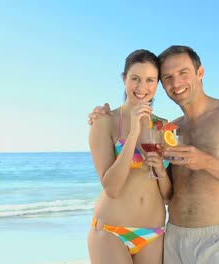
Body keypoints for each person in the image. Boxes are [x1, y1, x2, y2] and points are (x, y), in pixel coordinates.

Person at [88, 45, 219, 264]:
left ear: (200, 73)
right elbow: (164, 192)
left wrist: (206, 162)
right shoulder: (171, 130)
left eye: (183, 73)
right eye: (168, 77)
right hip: (172, 239)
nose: (176, 83)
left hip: (215, 241)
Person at [87, 49, 172, 264]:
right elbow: (112, 188)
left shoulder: (163, 126)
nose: (142, 87)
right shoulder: (105, 122)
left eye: (150, 80)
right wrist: (133, 132)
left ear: (157, 84)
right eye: (135, 79)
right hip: (111, 231)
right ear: (124, 79)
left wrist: (161, 172)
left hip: (153, 233)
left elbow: (169, 196)